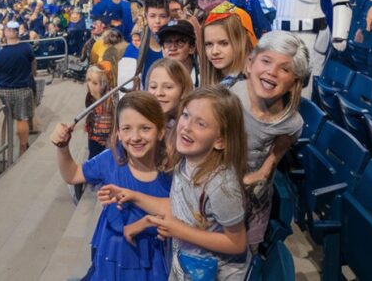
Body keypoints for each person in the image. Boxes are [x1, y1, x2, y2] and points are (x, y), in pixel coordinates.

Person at [98, 87, 250, 279]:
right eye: (186, 115)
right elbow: (180, 207)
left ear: (219, 140)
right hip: (186, 265)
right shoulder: (186, 162)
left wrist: (178, 230)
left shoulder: (222, 187)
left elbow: (237, 242)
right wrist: (133, 196)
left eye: (201, 124)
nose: (186, 126)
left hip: (212, 273)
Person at [51, 92, 172, 281]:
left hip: (152, 261)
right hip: (111, 255)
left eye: (145, 128)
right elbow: (73, 174)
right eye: (127, 128)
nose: (135, 137)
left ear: (161, 131)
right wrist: (63, 148)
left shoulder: (171, 171)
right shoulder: (110, 160)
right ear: (118, 133)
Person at [229, 31, 307, 249]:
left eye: (285, 68)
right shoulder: (229, 99)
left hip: (255, 199)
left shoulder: (291, 122)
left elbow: (280, 146)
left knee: (246, 251)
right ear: (250, 64)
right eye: (266, 61)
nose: (272, 72)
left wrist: (264, 171)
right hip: (222, 190)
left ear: (294, 83)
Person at [0, 22, 36, 156]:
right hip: (23, 88)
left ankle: (9, 147)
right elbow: (33, 62)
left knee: (10, 119)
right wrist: (33, 73)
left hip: (6, 91)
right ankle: (23, 147)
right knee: (22, 119)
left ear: (8, 32)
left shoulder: (2, 53)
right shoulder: (26, 48)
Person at [117, 0, 171, 91]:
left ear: (168, 17)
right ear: (146, 16)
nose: (157, 21)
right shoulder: (139, 40)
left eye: (162, 16)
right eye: (152, 16)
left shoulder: (175, 42)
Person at [145, 58, 194, 156]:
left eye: (168, 87)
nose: (159, 93)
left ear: (184, 90)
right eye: (153, 87)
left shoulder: (190, 127)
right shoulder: (142, 121)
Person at [201, 14, 254, 88]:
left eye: (223, 43)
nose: (214, 51)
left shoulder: (248, 85)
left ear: (241, 42)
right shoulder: (205, 79)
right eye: (209, 44)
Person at [82, 63, 114, 160]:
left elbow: (112, 121)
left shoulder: (109, 100)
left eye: (95, 83)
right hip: (94, 139)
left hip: (104, 142)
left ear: (104, 84)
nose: (90, 85)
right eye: (89, 80)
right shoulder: (90, 98)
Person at [157, 20, 198, 84]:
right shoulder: (156, 77)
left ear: (192, 48)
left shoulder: (203, 77)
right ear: (163, 48)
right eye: (168, 42)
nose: (173, 48)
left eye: (180, 42)